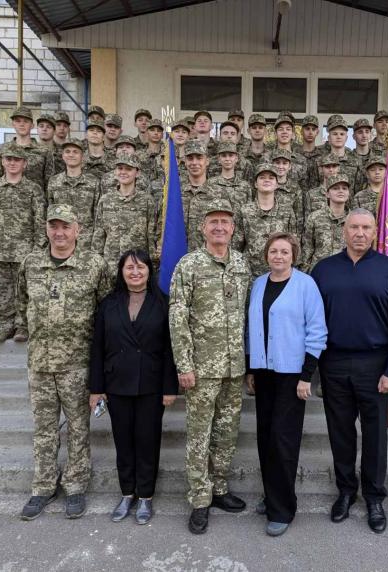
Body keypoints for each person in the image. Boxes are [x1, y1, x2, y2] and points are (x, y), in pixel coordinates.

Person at [311, 209, 388, 534]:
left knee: (375, 436)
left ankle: (373, 497)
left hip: (376, 366)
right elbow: (312, 321)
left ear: (375, 232)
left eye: (366, 227)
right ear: (344, 231)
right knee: (340, 433)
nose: (359, 232)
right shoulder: (323, 270)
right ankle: (346, 491)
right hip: (335, 364)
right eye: (353, 227)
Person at [17, 204, 113, 521]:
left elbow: (106, 312)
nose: (59, 233)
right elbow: (23, 303)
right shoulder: (31, 263)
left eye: (65, 226)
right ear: (47, 228)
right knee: (44, 429)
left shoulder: (94, 265)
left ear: (77, 229)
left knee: (77, 428)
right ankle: (43, 486)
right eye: (54, 226)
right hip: (40, 363)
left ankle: (74, 486)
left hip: (77, 364)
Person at [169, 200, 252, 535]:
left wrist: (251, 365)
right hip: (202, 368)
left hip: (235, 366)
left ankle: (219, 488)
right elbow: (177, 318)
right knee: (200, 435)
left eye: (225, 222)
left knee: (227, 433)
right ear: (202, 228)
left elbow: (249, 317)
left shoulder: (243, 263)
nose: (219, 227)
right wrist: (184, 365)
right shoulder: (189, 265)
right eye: (213, 221)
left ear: (233, 229)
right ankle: (200, 498)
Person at [245, 233, 327, 537]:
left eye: (284, 251)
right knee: (265, 437)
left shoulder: (305, 285)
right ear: (266, 255)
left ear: (294, 255)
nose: (278, 256)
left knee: (283, 440)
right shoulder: (258, 284)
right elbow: (251, 328)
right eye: (273, 251)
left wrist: (307, 375)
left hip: (292, 373)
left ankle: (283, 508)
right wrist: (251, 368)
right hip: (264, 372)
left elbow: (317, 330)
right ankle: (271, 495)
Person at [89, 250, 178, 525]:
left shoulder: (163, 303)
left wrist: (169, 387)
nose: (135, 272)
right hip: (117, 384)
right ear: (122, 272)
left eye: (140, 268)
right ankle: (127, 493)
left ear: (149, 272)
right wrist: (96, 388)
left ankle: (146, 497)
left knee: (147, 442)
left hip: (151, 386)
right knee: (123, 442)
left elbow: (169, 350)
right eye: (129, 268)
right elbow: (97, 349)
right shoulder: (108, 304)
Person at [0, 144, 46, 344]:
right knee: (3, 291)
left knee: (24, 291)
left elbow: (40, 220)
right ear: (3, 162)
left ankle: (22, 327)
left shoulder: (33, 189)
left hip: (25, 251)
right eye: (9, 159)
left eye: (17, 160)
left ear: (24, 164)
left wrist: (38, 248)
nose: (12, 163)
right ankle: (5, 326)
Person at [92, 154, 158, 274]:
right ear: (115, 172)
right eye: (120, 168)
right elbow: (99, 234)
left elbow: (151, 234)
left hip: (137, 266)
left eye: (128, 169)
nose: (123, 172)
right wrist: (97, 263)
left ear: (137, 173)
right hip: (111, 265)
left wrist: (152, 262)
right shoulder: (105, 200)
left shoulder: (147, 200)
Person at [233, 164, 297, 278]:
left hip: (280, 273)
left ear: (277, 184)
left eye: (271, 178)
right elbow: (236, 246)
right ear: (255, 184)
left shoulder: (287, 211)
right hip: (250, 274)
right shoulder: (245, 211)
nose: (267, 180)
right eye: (262, 177)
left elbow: (293, 244)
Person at [46, 138, 101, 250]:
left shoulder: (93, 182)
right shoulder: (54, 182)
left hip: (86, 242)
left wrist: (96, 245)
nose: (71, 155)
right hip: (61, 241)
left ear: (83, 156)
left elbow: (98, 216)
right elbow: (49, 213)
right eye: (67, 151)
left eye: (75, 152)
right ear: (62, 156)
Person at [0, 106, 53, 195]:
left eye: (26, 121)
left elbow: (49, 182)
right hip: (8, 201)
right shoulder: (4, 149)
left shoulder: (44, 151)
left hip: (35, 202)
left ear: (32, 126)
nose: (22, 124)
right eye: (18, 121)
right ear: (13, 124)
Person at [301, 174, 350, 272]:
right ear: (327, 194)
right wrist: (304, 273)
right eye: (335, 188)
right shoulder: (315, 217)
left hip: (347, 271)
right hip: (320, 271)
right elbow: (307, 248)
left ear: (348, 193)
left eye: (344, 188)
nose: (340, 191)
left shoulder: (354, 219)